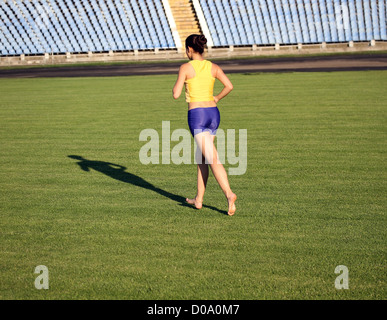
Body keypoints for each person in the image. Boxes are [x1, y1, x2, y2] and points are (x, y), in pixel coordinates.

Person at [172, 34, 237, 216]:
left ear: (190, 50)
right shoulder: (213, 67)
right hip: (213, 115)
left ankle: (229, 194)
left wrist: (177, 84)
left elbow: (176, 94)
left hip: (197, 116)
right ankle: (198, 199)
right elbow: (229, 86)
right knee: (202, 158)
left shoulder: (185, 67)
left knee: (212, 157)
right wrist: (216, 97)